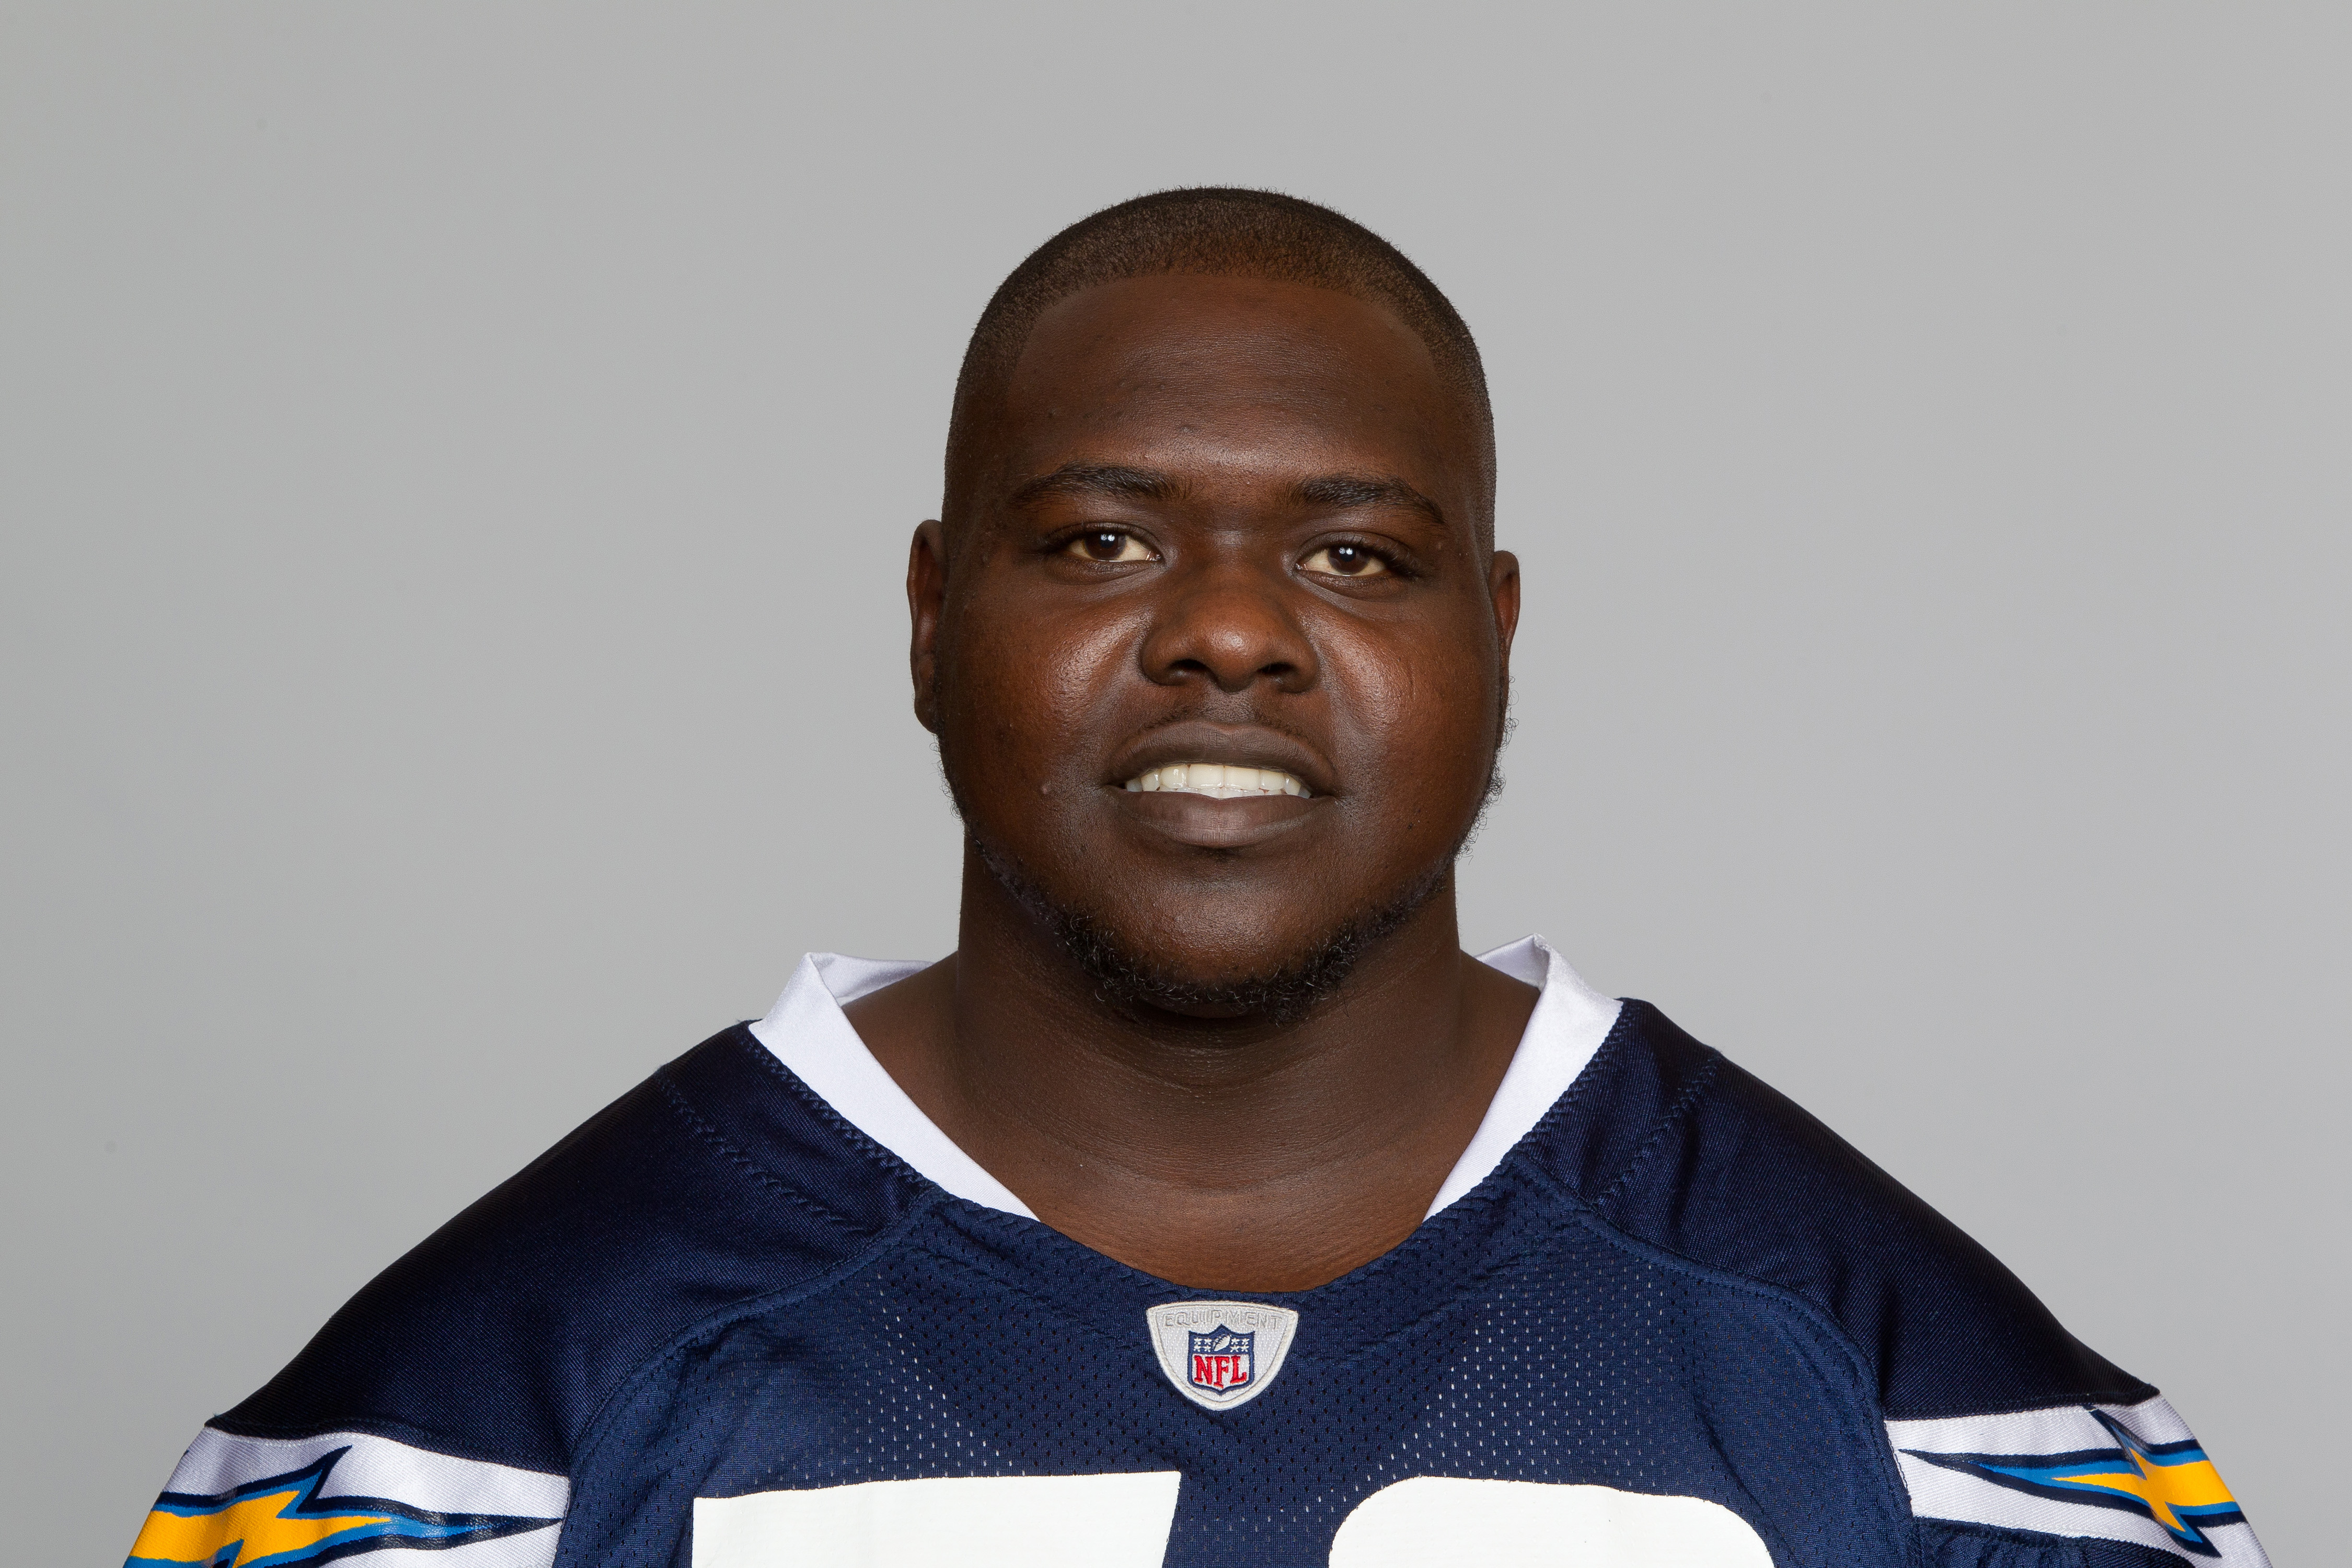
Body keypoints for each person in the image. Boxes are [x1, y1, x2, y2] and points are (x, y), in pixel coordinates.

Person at [124, 190, 2266, 1568]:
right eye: (1101, 542)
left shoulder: (1926, 1409)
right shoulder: (468, 1436)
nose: (1228, 633)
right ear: (932, 618)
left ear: (1496, 632)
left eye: (1355, 555)